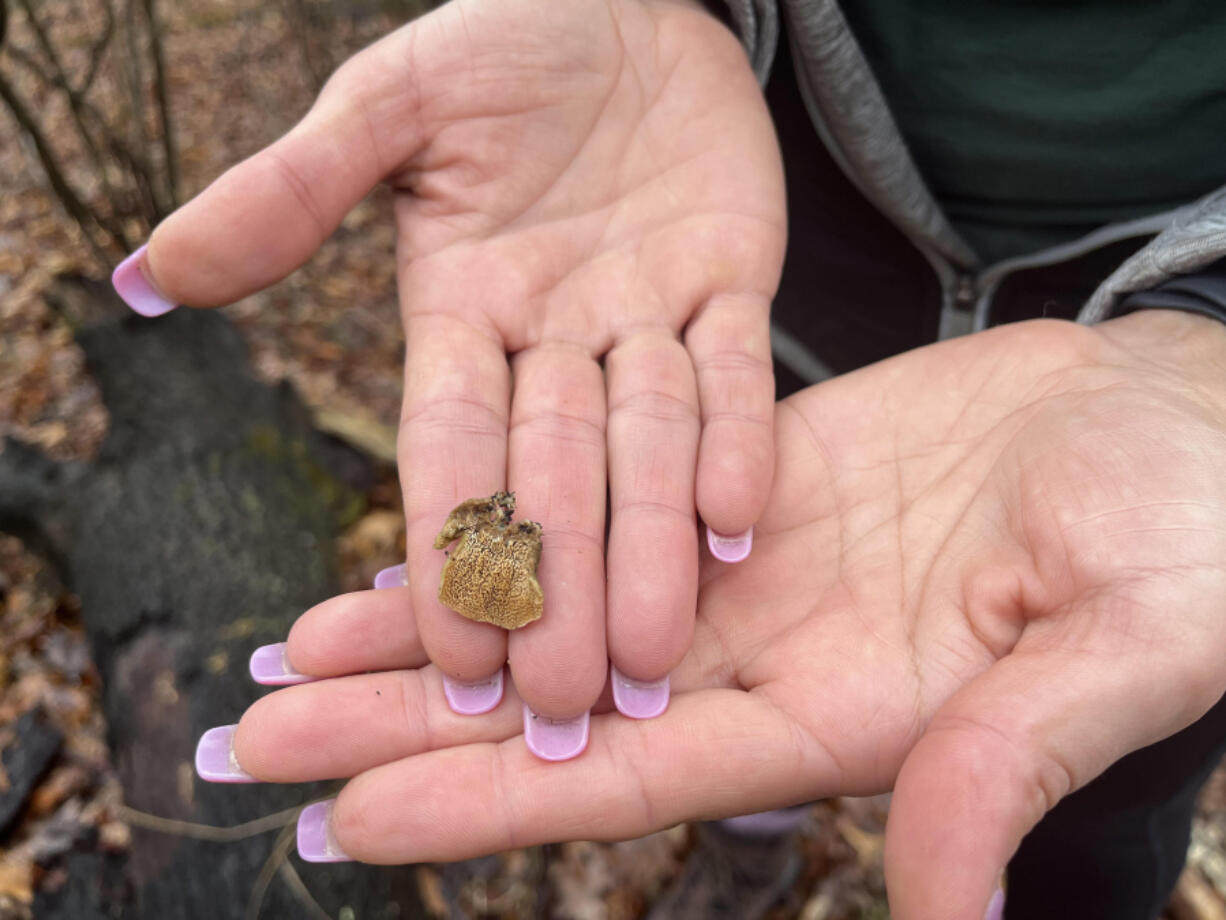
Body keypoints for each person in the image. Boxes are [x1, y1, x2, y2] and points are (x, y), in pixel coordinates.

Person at [109, 0, 1226, 917]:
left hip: (1160, 390)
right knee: (713, 617)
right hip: (732, 271)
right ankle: (752, 851)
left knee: (1104, 750)